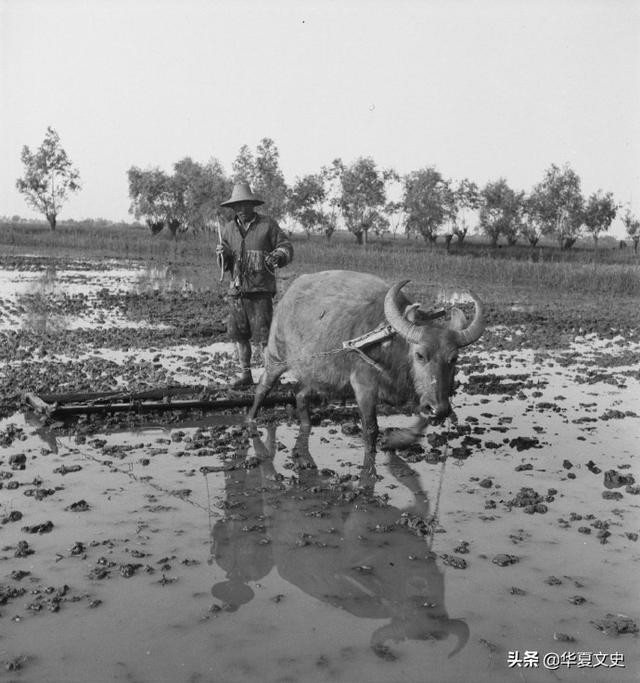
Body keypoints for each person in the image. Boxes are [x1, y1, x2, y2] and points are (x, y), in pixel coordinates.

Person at [216, 182, 293, 387]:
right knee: (239, 335)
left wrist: (278, 255)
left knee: (264, 337)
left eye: (244, 205)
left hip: (260, 290)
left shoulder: (267, 225)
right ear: (232, 208)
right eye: (236, 206)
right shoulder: (228, 229)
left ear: (252, 205)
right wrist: (222, 255)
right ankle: (245, 375)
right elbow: (225, 263)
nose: (240, 209)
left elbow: (285, 246)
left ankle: (270, 376)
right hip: (237, 291)